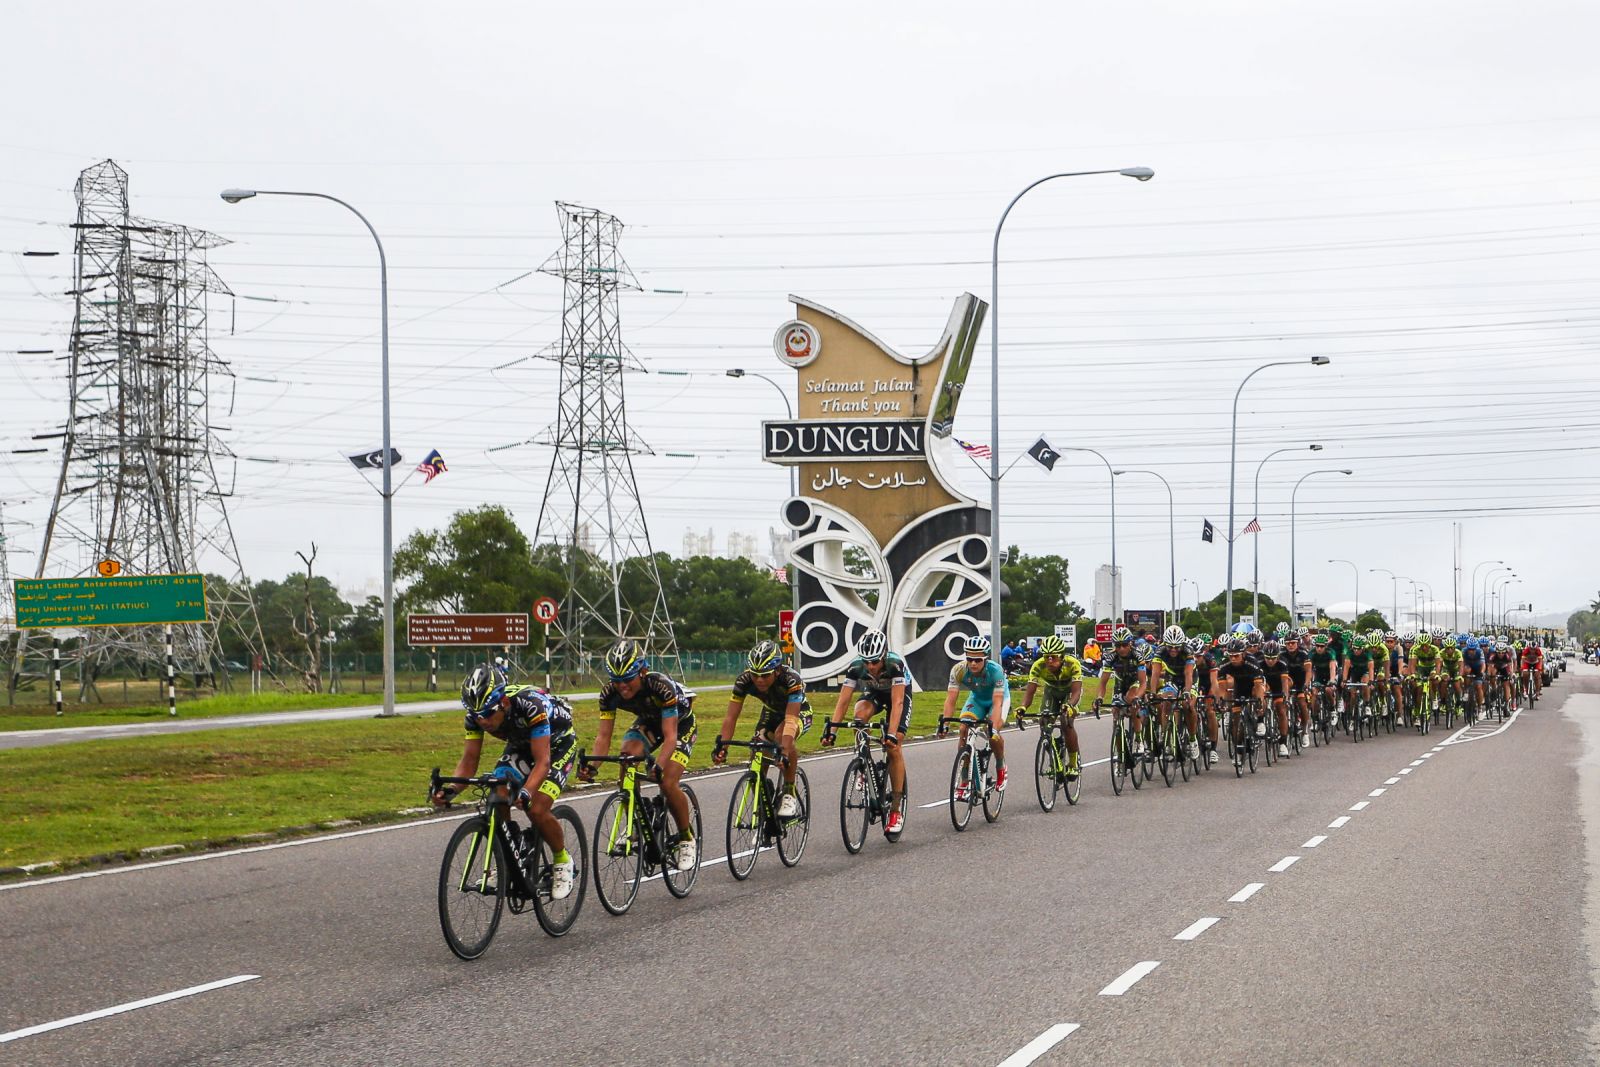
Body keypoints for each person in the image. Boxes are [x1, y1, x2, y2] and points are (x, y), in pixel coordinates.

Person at [435, 663, 579, 900]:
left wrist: (526, 792)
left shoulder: (531, 705)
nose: (483, 721)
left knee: (537, 807)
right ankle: (513, 851)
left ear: (503, 702)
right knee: (498, 788)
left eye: (488, 714)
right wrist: (450, 790)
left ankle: (563, 861)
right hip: (522, 745)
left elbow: (542, 762)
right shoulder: (477, 716)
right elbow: (469, 760)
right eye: (477, 716)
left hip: (556, 745)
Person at [581, 639, 699, 872]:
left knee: (667, 781)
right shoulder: (608, 694)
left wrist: (659, 766)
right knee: (627, 758)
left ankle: (686, 838)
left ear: (642, 672)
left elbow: (670, 737)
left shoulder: (660, 687)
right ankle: (635, 823)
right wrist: (593, 766)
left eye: (627, 679)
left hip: (679, 726)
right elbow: (603, 737)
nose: (622, 686)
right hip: (649, 721)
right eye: (616, 681)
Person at [822, 630, 912, 835]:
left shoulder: (894, 665)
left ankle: (896, 810)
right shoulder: (855, 667)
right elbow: (843, 701)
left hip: (899, 696)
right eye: (867, 662)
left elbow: (897, 703)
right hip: (877, 693)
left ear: (883, 656)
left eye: (875, 661)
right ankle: (864, 763)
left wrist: (890, 733)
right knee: (859, 717)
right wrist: (832, 730)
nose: (871, 666)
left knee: (894, 746)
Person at [714, 640, 810, 817]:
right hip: (772, 712)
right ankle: (764, 794)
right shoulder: (743, 681)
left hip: (797, 712)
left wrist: (785, 752)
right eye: (755, 674)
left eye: (765, 675)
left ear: (777, 670)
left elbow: (790, 720)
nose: (759, 680)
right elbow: (731, 717)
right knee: (757, 748)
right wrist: (723, 747)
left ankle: (789, 792)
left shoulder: (791, 680)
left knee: (782, 737)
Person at [940, 634, 1009, 797]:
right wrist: (945, 724)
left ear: (985, 659)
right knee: (963, 728)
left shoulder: (995, 671)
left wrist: (993, 727)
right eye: (970, 658)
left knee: (993, 735)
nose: (973, 663)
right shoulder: (958, 670)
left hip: (997, 700)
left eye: (977, 660)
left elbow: (997, 702)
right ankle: (964, 779)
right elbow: (951, 700)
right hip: (977, 700)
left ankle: (1001, 767)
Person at [1015, 633, 1085, 778]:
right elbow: (1030, 692)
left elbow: (1077, 691)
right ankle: (1054, 757)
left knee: (1067, 723)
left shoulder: (1072, 663)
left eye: (1053, 656)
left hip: (1069, 692)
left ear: (1062, 656)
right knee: (1044, 720)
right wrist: (1023, 707)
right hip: (1051, 691)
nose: (1049, 660)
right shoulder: (1038, 665)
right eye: (1046, 656)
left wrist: (1070, 705)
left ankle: (1073, 763)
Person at [1096, 627, 1148, 755]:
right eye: (1118, 646)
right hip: (1120, 683)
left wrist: (1138, 697)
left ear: (1130, 643)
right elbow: (1103, 683)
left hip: (1135, 681)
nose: (1121, 649)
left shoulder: (1137, 654)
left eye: (1124, 645)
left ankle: (1138, 738)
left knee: (1132, 701)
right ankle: (1120, 754)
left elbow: (1143, 683)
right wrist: (1099, 698)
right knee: (1116, 711)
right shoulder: (1111, 656)